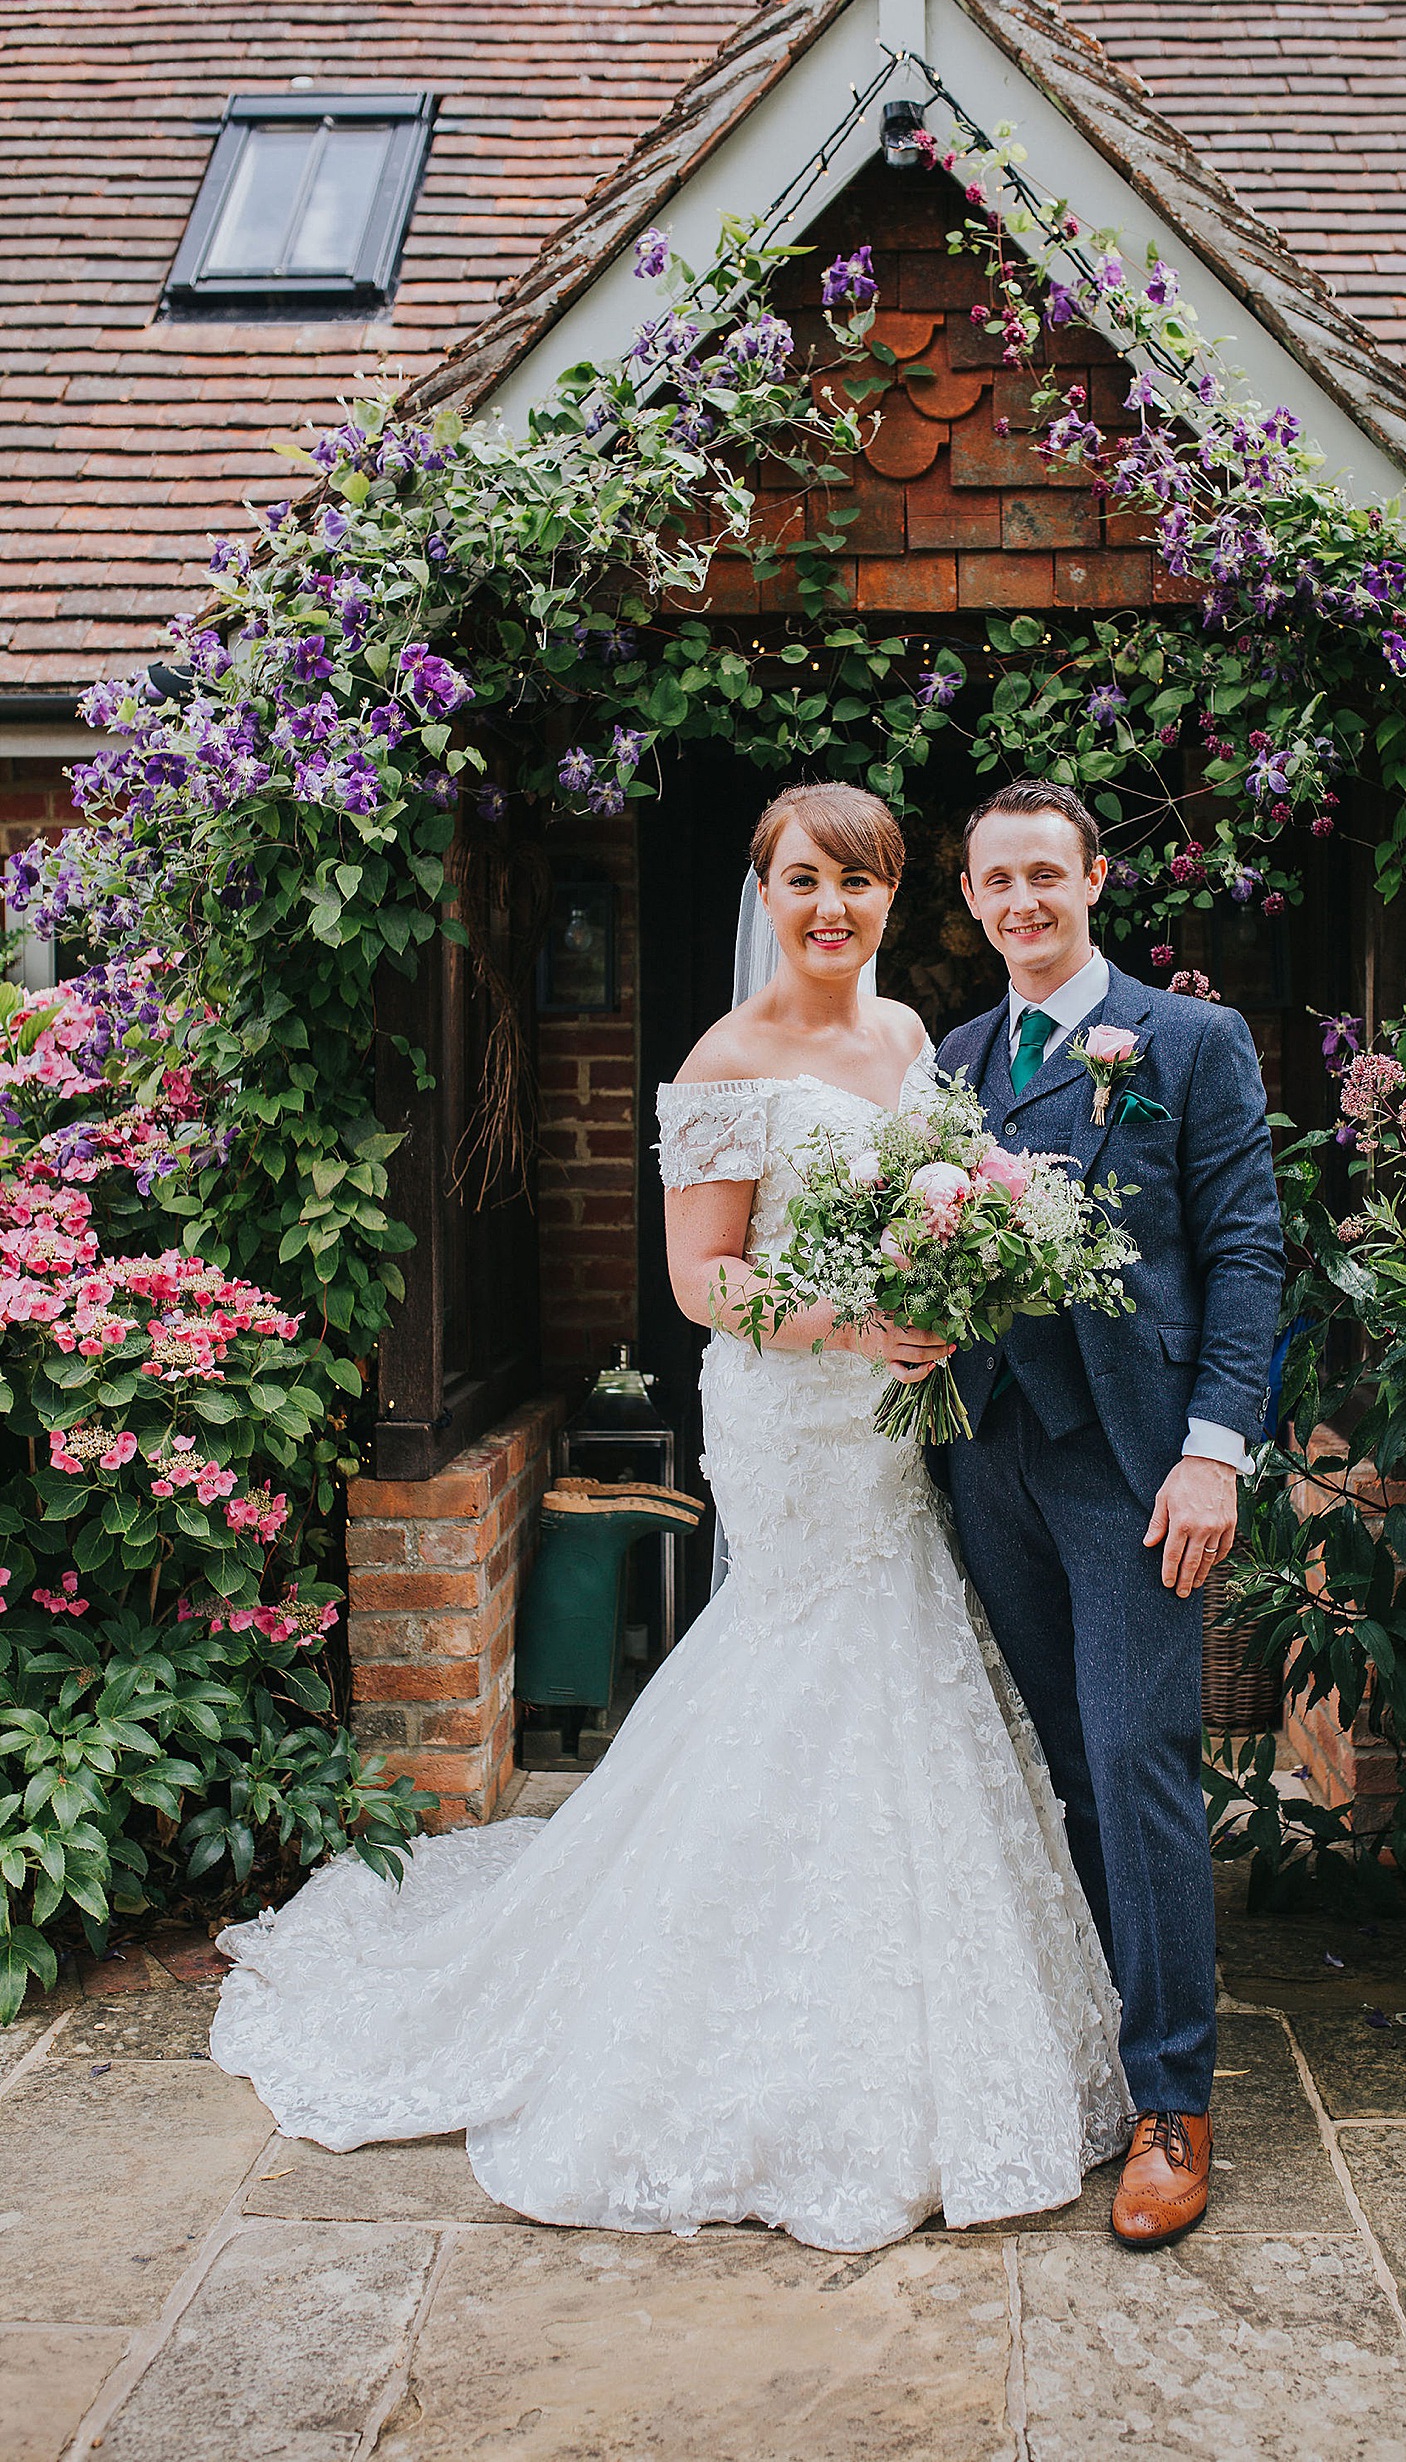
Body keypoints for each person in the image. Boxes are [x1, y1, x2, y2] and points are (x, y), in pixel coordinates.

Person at [209, 780, 1130, 2254]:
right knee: (798, 1658)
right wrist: (856, 1323)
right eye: (805, 879)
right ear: (765, 894)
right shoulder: (725, 1058)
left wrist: (948, 1302)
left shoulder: (910, 1041)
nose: (834, 907)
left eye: (863, 881)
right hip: (794, 1408)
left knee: (902, 1652)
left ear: (897, 900)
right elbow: (704, 1281)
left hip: (893, 1418)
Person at [937, 777, 1284, 2249]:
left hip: (1139, 1466)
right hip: (990, 1455)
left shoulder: (1189, 1042)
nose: (1023, 901)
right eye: (996, 880)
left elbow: (1249, 1255)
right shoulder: (953, 1060)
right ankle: (1101, 2044)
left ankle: (1174, 2103)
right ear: (968, 899)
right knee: (1069, 1761)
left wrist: (1216, 1450)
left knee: (1141, 1759)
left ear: (1093, 883)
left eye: (1046, 876)